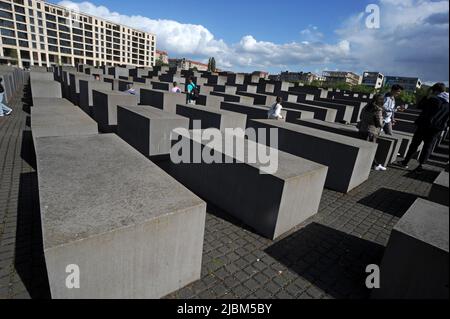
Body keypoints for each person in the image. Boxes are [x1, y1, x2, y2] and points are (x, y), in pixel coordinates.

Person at [397, 83, 449, 173]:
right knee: (427, 147)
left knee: (414, 145)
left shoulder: (433, 99)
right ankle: (420, 166)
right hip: (436, 129)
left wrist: (427, 95)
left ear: (435, 91)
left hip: (424, 126)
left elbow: (420, 106)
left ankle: (405, 162)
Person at [358, 94, 386, 171]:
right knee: (370, 150)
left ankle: (372, 164)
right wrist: (383, 123)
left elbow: (360, 117)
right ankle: (374, 165)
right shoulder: (378, 110)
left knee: (362, 149)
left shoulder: (366, 107)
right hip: (372, 131)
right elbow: (379, 123)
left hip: (362, 129)